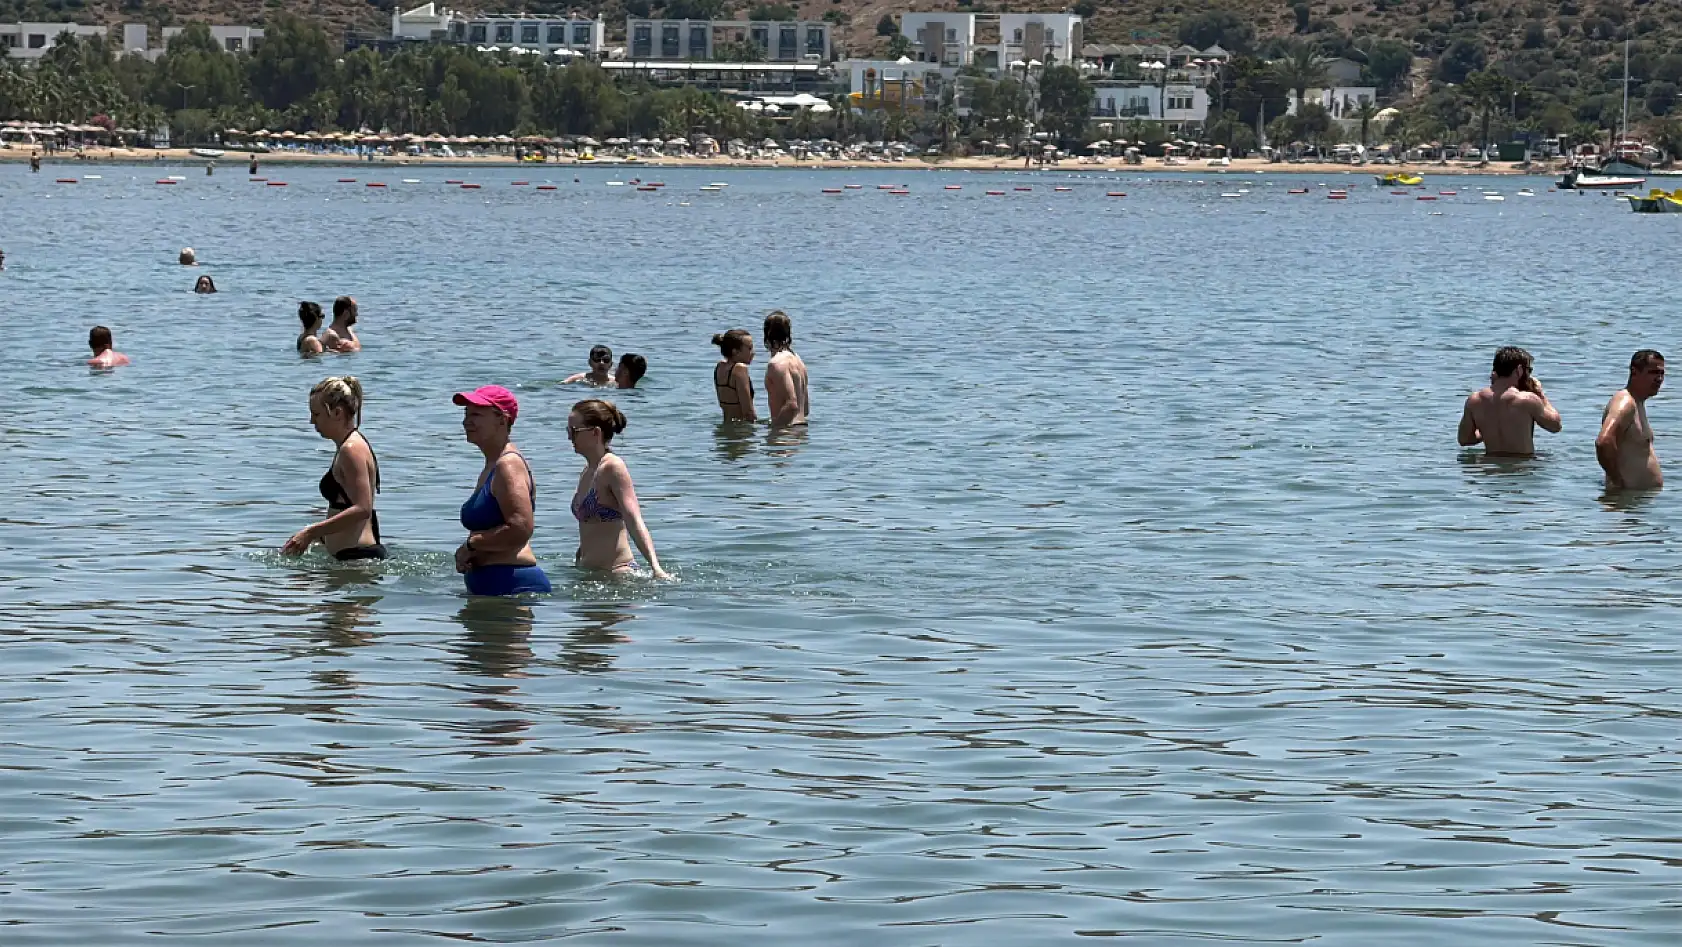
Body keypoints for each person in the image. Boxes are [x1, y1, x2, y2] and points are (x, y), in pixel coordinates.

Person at [455, 385, 551, 595]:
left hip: (514, 587)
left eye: (477, 414)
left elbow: (520, 529)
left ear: (503, 419)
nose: (467, 421)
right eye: (466, 414)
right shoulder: (491, 465)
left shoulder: (508, 465)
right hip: (493, 587)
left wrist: (472, 545)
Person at [282, 376, 386, 561]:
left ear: (337, 413)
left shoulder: (351, 450)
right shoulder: (347, 446)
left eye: (316, 414)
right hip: (348, 557)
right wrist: (322, 537)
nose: (311, 422)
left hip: (357, 558)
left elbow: (363, 508)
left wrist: (311, 532)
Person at [568, 398, 669, 579]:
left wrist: (656, 568)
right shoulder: (587, 471)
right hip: (589, 575)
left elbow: (634, 519)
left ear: (595, 433)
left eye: (574, 431)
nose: (569, 437)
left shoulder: (613, 467)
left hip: (617, 573)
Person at [1456, 346, 1560, 456]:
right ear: (1519, 370)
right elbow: (1555, 426)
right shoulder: (1527, 399)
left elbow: (1464, 440)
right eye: (1529, 370)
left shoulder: (1474, 400)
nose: (1529, 375)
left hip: (1490, 468)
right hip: (1522, 467)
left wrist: (1487, 431)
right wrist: (1540, 394)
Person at [1596, 349, 1666, 492]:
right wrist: (1616, 480)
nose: (1659, 379)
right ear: (1634, 372)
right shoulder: (1625, 403)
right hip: (1624, 505)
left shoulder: (1637, 403)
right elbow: (1603, 442)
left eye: (1661, 373)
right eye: (1653, 372)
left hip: (1635, 504)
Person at [763, 310, 809, 427]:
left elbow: (792, 405)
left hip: (785, 434)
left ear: (766, 334)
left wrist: (774, 429)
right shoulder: (799, 361)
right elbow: (806, 409)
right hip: (801, 431)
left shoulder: (776, 363)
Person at [712, 328, 757, 422]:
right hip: (741, 431)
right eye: (749, 348)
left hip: (726, 424)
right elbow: (748, 412)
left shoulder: (719, 367)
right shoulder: (740, 369)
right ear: (735, 351)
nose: (753, 352)